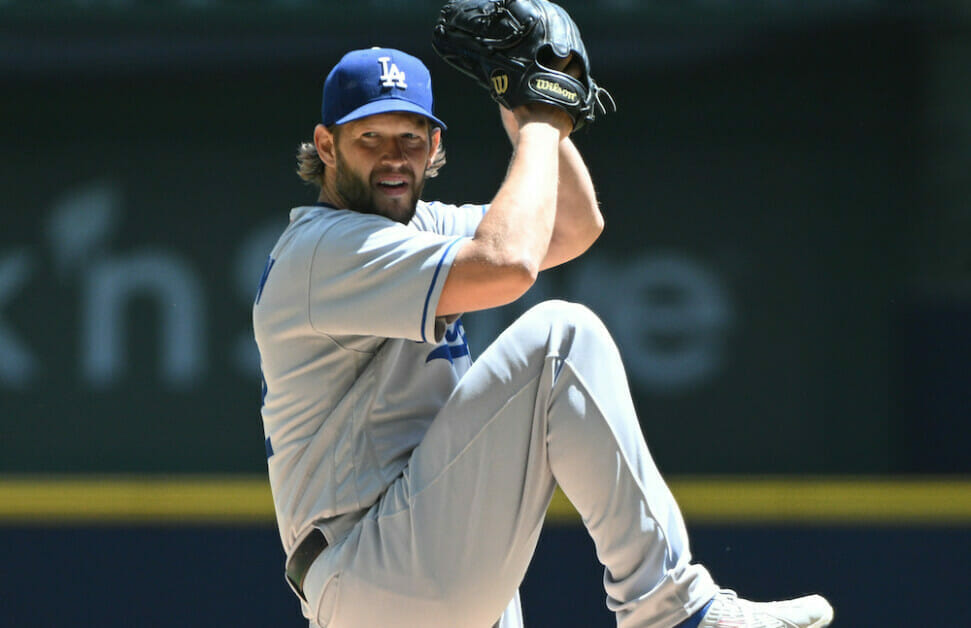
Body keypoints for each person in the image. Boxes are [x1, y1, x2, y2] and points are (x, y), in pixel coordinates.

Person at [253, 47, 834, 628]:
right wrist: (541, 122)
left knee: (560, 342)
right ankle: (670, 610)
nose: (393, 156)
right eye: (370, 138)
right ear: (326, 146)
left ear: (434, 145)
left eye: (409, 137)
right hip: (371, 566)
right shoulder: (320, 250)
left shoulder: (420, 226)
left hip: (412, 558)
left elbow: (573, 227)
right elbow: (508, 264)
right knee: (561, 341)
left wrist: (526, 109)